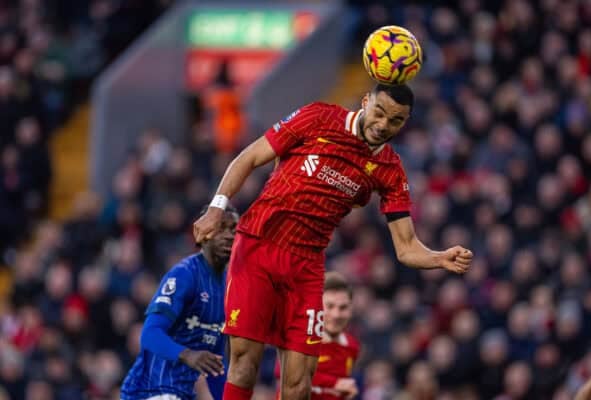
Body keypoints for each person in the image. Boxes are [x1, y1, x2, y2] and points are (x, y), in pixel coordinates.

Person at [193, 84, 473, 400]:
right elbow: (251, 156)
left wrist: (439, 258)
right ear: (366, 102)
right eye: (379, 113)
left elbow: (406, 247)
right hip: (259, 245)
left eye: (395, 121)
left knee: (299, 384)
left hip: (307, 267)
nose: (383, 125)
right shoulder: (320, 116)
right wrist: (217, 207)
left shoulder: (390, 171)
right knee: (244, 364)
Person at [121, 206, 238, 400]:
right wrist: (188, 355)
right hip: (149, 392)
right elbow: (150, 334)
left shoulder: (228, 288)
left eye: (234, 229)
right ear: (203, 234)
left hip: (182, 394)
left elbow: (215, 365)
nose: (229, 235)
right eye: (221, 228)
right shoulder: (185, 275)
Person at [275, 271, 361, 400]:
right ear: (317, 306)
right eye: (330, 306)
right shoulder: (302, 337)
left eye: (343, 308)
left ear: (351, 310)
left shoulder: (352, 346)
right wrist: (334, 383)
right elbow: (282, 373)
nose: (336, 315)